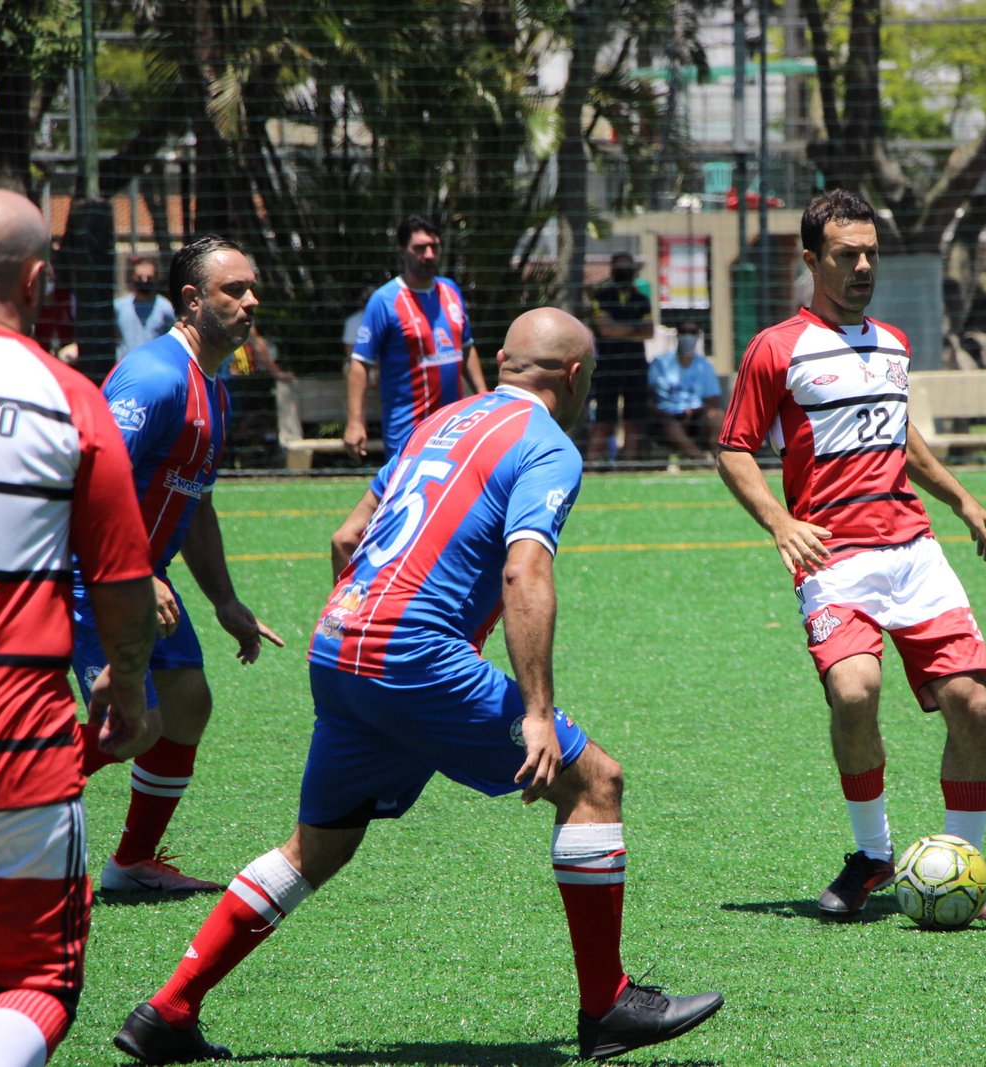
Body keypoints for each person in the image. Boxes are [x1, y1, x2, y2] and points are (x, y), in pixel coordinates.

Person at [111, 307, 724, 1064]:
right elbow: (525, 570)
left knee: (316, 848)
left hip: (339, 640)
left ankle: (166, 1010)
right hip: (413, 654)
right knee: (596, 781)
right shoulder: (548, 446)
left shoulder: (445, 418)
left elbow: (346, 536)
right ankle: (608, 1005)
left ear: (501, 361)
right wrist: (534, 711)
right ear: (574, 377)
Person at [716, 189, 986, 922]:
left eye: (870, 254)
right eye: (846, 254)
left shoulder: (892, 342)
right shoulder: (775, 348)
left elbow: (900, 437)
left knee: (972, 703)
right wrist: (780, 522)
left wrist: (960, 498)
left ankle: (965, 863)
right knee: (854, 691)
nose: (861, 267)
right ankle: (873, 854)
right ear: (811, 258)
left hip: (913, 550)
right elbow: (733, 451)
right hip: (832, 557)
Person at [0, 188, 158, 1067]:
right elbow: (120, 582)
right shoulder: (64, 397)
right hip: (6, 746)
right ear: (37, 282)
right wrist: (127, 683)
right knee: (33, 984)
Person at [73, 235, 286, 893]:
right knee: (140, 724)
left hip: (141, 581)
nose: (251, 302)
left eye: (253, 289)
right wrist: (140, 571)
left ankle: (133, 861)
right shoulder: (156, 377)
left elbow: (196, 501)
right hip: (95, 576)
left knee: (189, 701)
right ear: (191, 300)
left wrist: (225, 599)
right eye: (234, 291)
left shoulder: (214, 388)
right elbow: (91, 481)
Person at [344, 215, 486, 461]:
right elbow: (360, 363)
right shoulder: (385, 300)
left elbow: (466, 348)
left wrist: (486, 399)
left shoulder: (451, 291)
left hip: (453, 427)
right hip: (407, 430)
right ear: (402, 251)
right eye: (420, 248)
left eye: (434, 247)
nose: (429, 254)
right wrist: (355, 422)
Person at [586, 252, 653, 466]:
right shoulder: (601, 297)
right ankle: (592, 464)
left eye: (628, 267)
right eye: (620, 267)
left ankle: (629, 466)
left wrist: (619, 328)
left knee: (633, 420)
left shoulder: (641, 299)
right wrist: (634, 328)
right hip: (608, 366)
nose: (624, 272)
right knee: (604, 419)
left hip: (635, 366)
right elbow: (605, 330)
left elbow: (649, 331)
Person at [647, 320, 722, 466]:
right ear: (677, 335)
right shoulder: (660, 363)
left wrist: (695, 411)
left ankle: (722, 462)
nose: (688, 337)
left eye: (692, 333)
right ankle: (704, 464)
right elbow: (648, 396)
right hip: (666, 416)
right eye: (684, 332)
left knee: (717, 417)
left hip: (697, 415)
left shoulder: (704, 365)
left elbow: (713, 397)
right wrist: (661, 413)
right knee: (671, 426)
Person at [115, 253, 176, 362]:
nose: (144, 281)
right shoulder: (119, 307)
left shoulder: (166, 309)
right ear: (133, 278)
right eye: (140, 277)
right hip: (125, 369)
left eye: (149, 277)